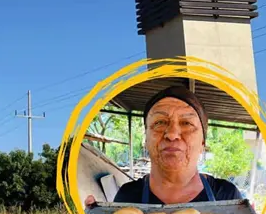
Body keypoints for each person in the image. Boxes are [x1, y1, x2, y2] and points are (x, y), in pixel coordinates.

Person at [86, 85, 241, 206]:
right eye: (160, 122)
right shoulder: (127, 196)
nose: (172, 134)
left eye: (186, 123)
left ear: (202, 143)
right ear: (146, 141)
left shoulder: (226, 195)